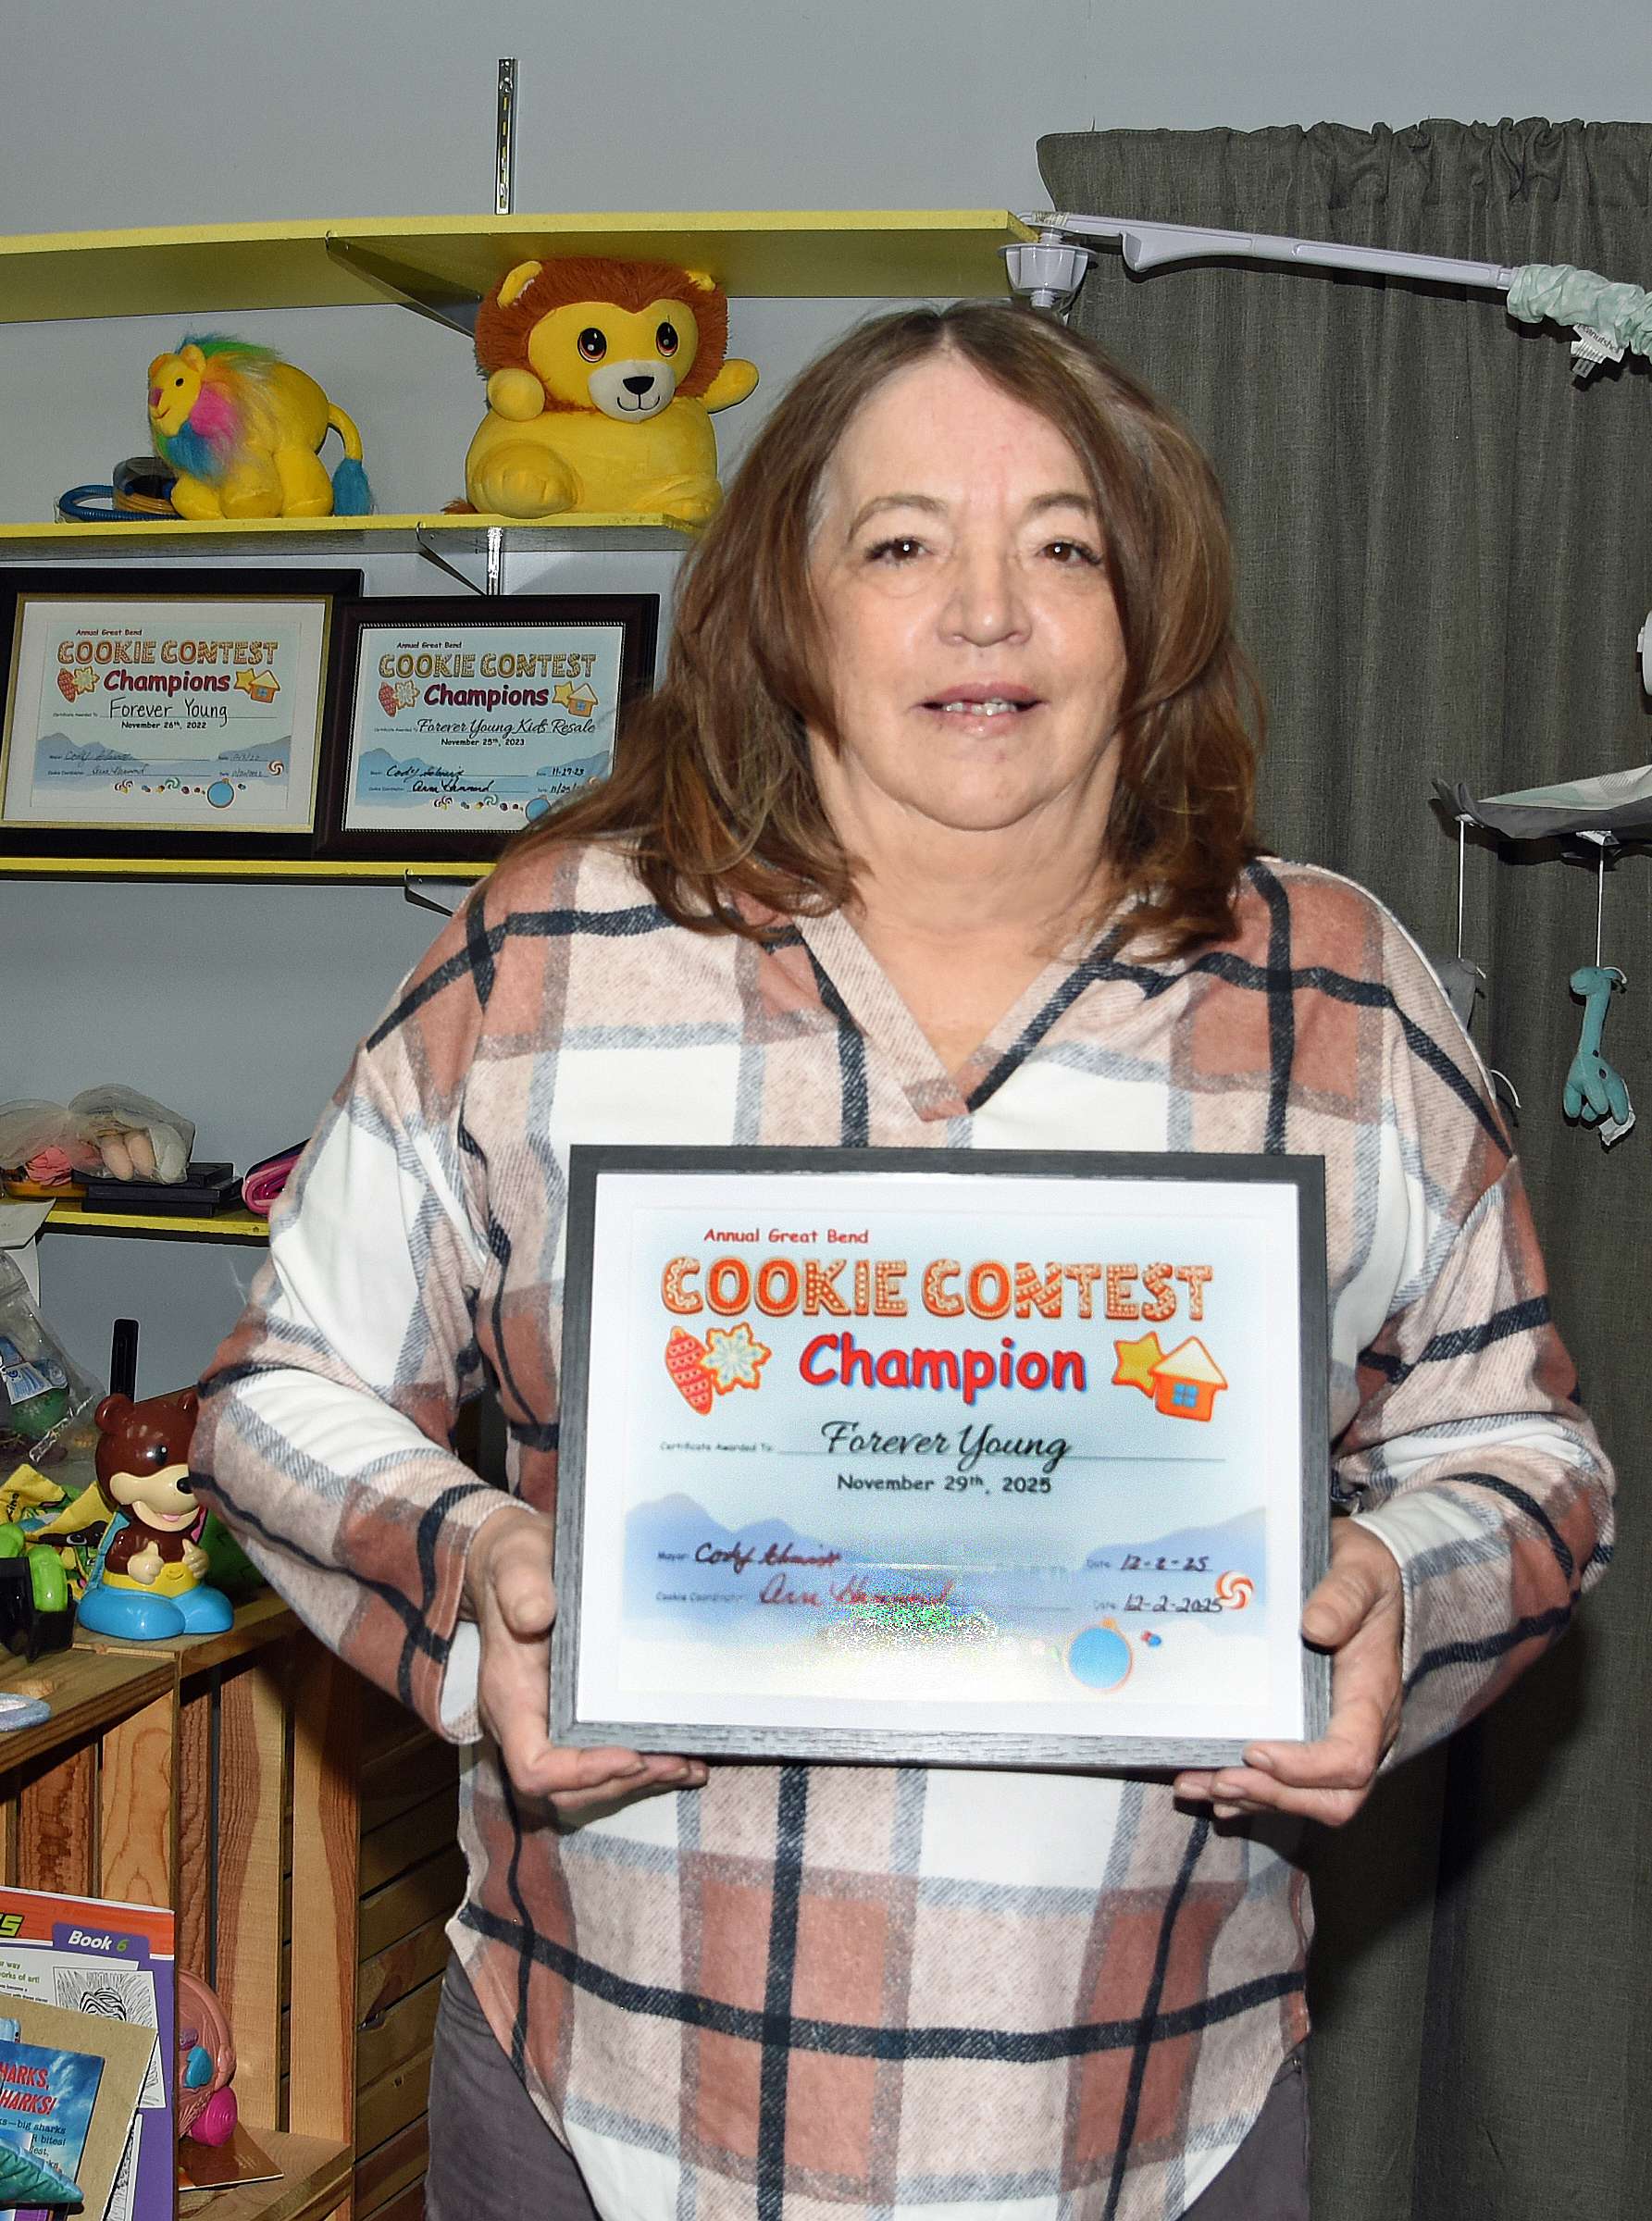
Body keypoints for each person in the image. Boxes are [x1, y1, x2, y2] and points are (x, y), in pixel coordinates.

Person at [193, 303, 1613, 2221]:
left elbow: (1524, 1456)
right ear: (787, 601)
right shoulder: (544, 959)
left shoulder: (1336, 988)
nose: (984, 614)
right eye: (900, 543)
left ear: (1148, 612)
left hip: (1152, 2132)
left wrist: (1395, 1600)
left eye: (1061, 545)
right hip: (599, 2115)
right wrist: (477, 1577)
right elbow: (282, 1390)